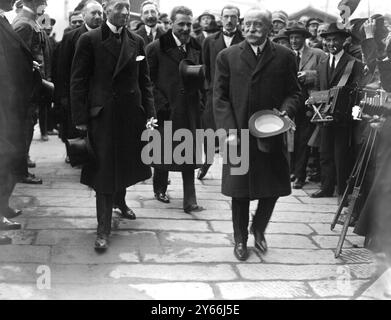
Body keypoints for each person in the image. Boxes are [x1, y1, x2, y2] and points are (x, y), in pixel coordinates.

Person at [213, 7, 301, 261]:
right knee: (239, 191)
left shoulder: (284, 56)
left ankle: (259, 228)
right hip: (238, 134)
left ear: (270, 28)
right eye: (247, 25)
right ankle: (240, 238)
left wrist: (285, 112)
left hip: (270, 132)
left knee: (272, 188)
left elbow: (294, 92)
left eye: (257, 25)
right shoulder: (227, 56)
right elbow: (219, 97)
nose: (251, 29)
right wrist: (228, 131)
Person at [70, 0, 156, 251]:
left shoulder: (137, 41)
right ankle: (103, 228)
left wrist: (149, 114)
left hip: (130, 114)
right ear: (107, 10)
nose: (125, 11)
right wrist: (80, 120)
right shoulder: (90, 40)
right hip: (103, 116)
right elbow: (78, 81)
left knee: (126, 163)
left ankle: (120, 201)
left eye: (128, 7)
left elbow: (145, 81)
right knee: (104, 171)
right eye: (119, 6)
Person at [146, 6, 204, 213]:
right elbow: (147, 80)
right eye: (181, 24)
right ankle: (160, 187)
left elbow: (202, 75)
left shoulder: (197, 47)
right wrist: (160, 105)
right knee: (162, 153)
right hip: (166, 109)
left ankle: (190, 199)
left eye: (189, 24)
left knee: (189, 154)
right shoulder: (155, 48)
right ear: (171, 24)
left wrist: (201, 101)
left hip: (189, 109)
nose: (186, 28)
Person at [311, 23, 365, 200]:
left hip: (345, 119)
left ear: (344, 41)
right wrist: (313, 102)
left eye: (335, 39)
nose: (331, 43)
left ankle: (342, 190)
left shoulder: (354, 63)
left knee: (342, 155)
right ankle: (326, 187)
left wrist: (356, 118)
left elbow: (359, 94)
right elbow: (319, 89)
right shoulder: (323, 62)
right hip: (325, 117)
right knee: (325, 153)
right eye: (327, 40)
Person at [0, 0, 36, 242]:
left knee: (8, 158)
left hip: (9, 102)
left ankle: (2, 210)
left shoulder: (3, 20)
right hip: (4, 101)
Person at [197, 4, 244, 180]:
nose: (230, 20)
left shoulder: (245, 40)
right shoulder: (209, 41)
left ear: (238, 20)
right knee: (211, 131)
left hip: (238, 95)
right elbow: (205, 67)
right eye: (226, 17)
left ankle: (234, 171)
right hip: (215, 93)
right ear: (221, 19)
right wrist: (208, 89)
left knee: (235, 131)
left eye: (233, 17)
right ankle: (206, 164)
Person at [55, 0, 103, 163]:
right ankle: (79, 157)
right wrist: (63, 97)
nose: (97, 16)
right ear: (84, 16)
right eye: (93, 13)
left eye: (100, 13)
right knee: (78, 131)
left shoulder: (108, 35)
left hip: (100, 95)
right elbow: (62, 69)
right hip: (78, 94)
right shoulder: (71, 37)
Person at [285, 22, 327, 189]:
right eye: (292, 37)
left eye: (297, 37)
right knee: (290, 139)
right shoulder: (286, 54)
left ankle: (300, 176)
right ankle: (292, 171)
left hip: (310, 102)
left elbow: (328, 75)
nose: (294, 40)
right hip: (291, 102)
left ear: (304, 38)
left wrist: (311, 75)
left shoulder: (317, 54)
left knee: (304, 139)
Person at [12, 0, 47, 185]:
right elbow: (17, 58)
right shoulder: (24, 24)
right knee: (24, 127)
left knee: (29, 125)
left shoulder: (31, 20)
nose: (45, 5)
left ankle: (22, 161)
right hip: (26, 89)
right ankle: (20, 171)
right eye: (42, 1)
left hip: (32, 87)